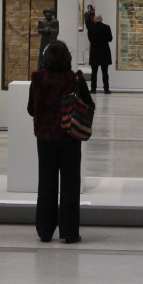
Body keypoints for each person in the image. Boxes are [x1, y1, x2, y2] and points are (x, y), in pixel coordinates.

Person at [28, 40, 92, 243]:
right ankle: (69, 231)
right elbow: (89, 105)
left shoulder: (38, 79)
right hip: (70, 138)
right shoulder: (75, 79)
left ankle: (45, 231)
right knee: (70, 184)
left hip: (45, 138)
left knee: (46, 184)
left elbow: (31, 108)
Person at [85, 10, 113, 94]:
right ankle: (106, 89)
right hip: (104, 52)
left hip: (94, 52)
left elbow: (90, 39)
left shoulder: (90, 28)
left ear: (94, 19)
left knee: (94, 72)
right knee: (105, 72)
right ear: (101, 19)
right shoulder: (107, 27)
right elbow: (110, 39)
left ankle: (93, 89)